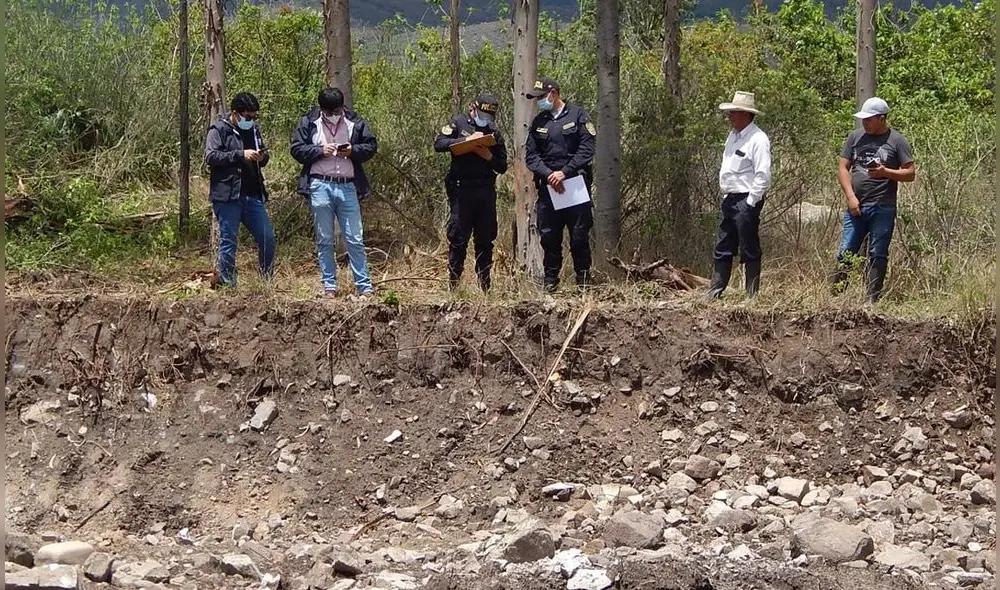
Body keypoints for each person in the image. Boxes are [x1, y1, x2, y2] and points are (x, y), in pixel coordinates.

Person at [291, 88, 378, 298]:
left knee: (355, 238)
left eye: (337, 111)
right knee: (325, 238)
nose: (333, 115)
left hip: (348, 186)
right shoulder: (308, 122)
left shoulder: (354, 122)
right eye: (328, 112)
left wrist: (353, 151)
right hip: (320, 185)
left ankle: (364, 286)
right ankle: (329, 286)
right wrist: (319, 151)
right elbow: (296, 149)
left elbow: (371, 145)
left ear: (342, 107)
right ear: (321, 109)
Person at [832, 97, 915, 303]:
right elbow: (843, 168)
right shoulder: (855, 137)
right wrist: (850, 197)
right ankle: (836, 298)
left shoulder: (897, 141)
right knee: (846, 251)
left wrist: (885, 172)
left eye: (869, 119)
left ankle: (872, 301)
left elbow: (910, 173)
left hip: (883, 206)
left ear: (882, 118)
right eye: (863, 119)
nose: (865, 123)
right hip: (856, 205)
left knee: (877, 253)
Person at [524, 78, 596, 293]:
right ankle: (550, 283)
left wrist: (564, 172)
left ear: (553, 93)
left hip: (575, 186)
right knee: (549, 237)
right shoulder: (539, 123)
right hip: (549, 189)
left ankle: (583, 282)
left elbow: (587, 149)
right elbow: (531, 156)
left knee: (579, 236)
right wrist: (548, 174)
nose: (539, 102)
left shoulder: (578, 115)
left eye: (541, 97)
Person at [433, 93, 508, 292]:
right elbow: (439, 144)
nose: (485, 119)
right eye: (482, 114)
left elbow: (502, 166)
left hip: (485, 191)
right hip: (461, 190)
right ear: (473, 109)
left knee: (485, 239)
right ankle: (454, 286)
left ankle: (485, 286)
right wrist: (462, 142)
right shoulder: (458, 123)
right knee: (458, 238)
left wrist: (488, 155)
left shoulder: (494, 133)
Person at [204, 92, 276, 288]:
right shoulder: (219, 130)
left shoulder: (253, 131)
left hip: (252, 195)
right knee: (229, 242)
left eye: (254, 116)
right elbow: (211, 156)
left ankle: (266, 281)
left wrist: (262, 157)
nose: (251, 120)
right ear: (235, 114)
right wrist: (240, 154)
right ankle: (228, 284)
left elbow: (264, 155)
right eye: (247, 117)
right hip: (228, 195)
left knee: (267, 238)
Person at [706, 91, 772, 299]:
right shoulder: (733, 136)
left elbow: (763, 173)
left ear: (746, 114)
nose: (730, 116)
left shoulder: (758, 139)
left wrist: (751, 202)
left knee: (748, 245)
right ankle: (716, 291)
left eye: (734, 112)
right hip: (730, 198)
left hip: (746, 198)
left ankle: (751, 295)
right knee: (724, 242)